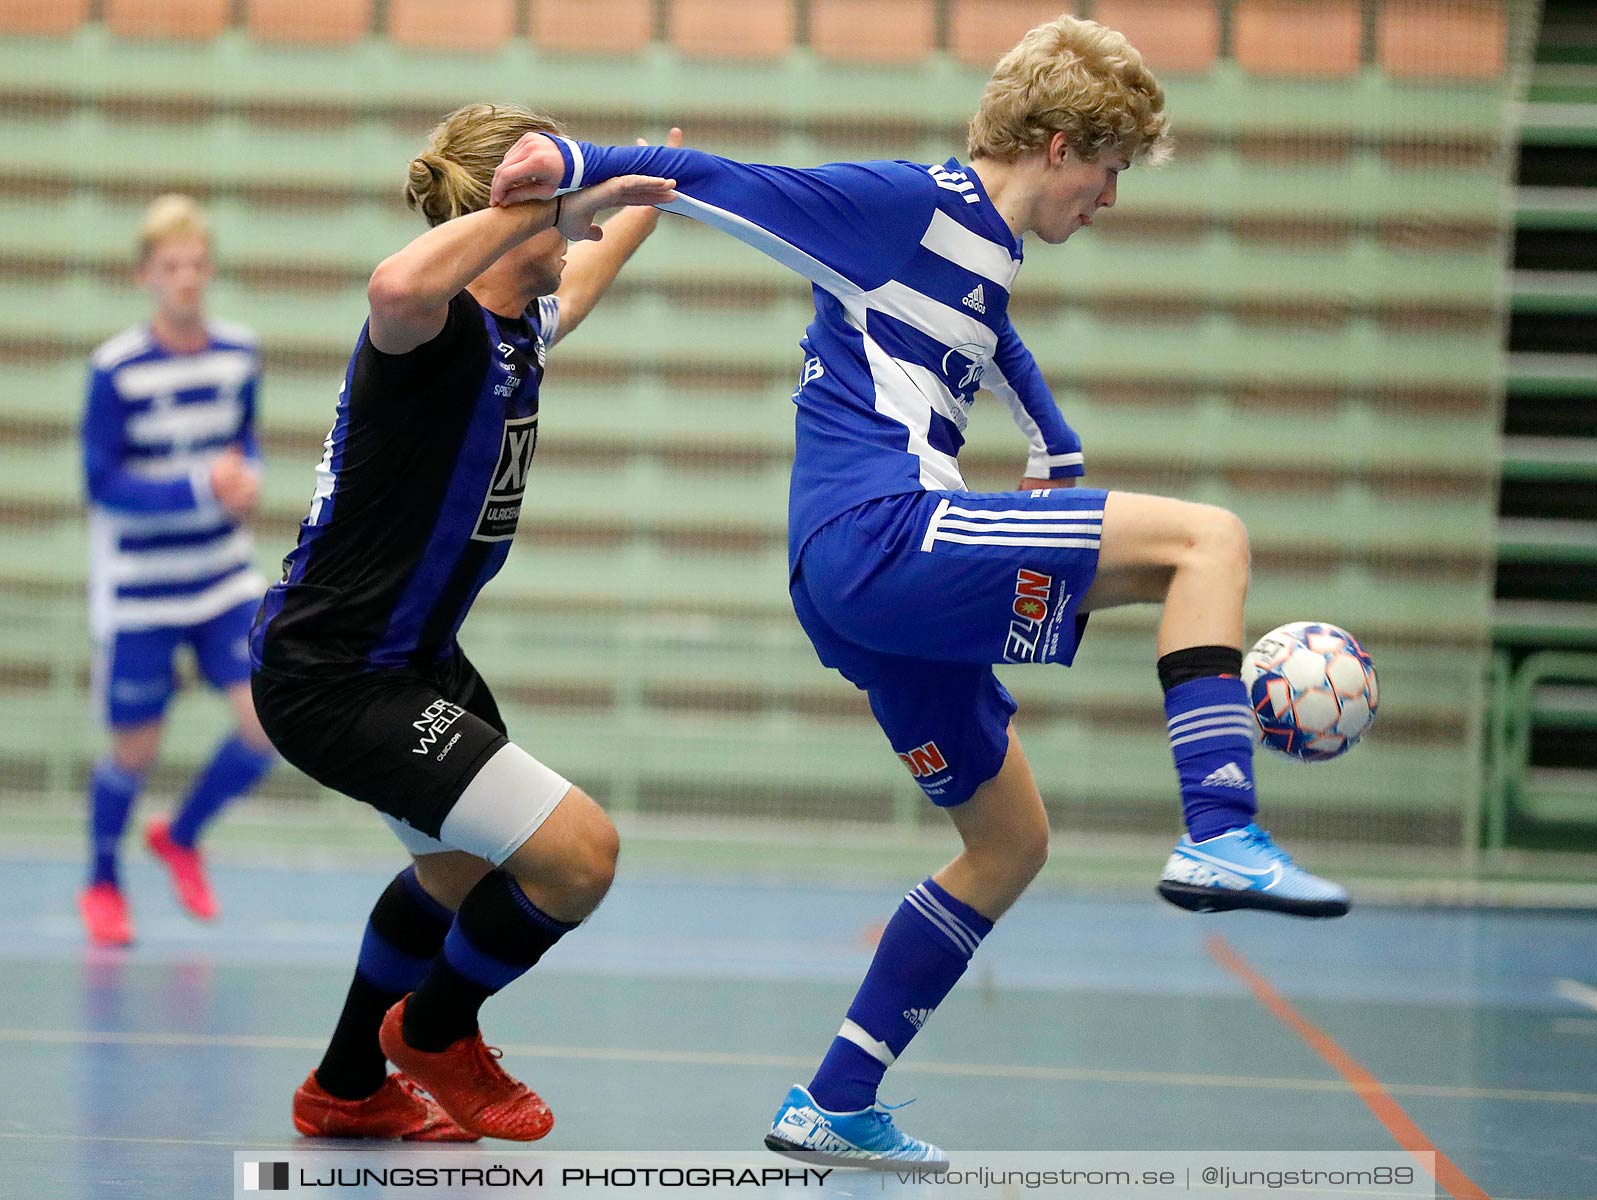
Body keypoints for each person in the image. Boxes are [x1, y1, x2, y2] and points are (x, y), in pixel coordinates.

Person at [489, 14, 1354, 1166]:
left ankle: (834, 1099)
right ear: (1054, 144)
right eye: (1105, 172)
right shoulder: (907, 203)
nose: (1107, 199)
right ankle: (1220, 826)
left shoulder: (983, 252)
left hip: (863, 581)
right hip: (882, 535)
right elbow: (728, 180)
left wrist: (1052, 446)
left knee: (1007, 843)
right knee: (1208, 544)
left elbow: (991, 339)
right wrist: (574, 165)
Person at [249, 104, 677, 1141]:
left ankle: (345, 1086)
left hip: (414, 662)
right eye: (557, 201)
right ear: (515, 206)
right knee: (578, 857)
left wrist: (650, 180)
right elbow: (396, 283)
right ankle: (435, 1031)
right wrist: (551, 197)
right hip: (335, 675)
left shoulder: (520, 327)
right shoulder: (426, 331)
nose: (575, 228)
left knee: (457, 875)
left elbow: (601, 247)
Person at [80, 194, 276, 946]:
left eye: (197, 264)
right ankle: (102, 878)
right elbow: (100, 484)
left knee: (267, 723)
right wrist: (201, 489)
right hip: (142, 589)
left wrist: (247, 478)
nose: (187, 279)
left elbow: (242, 441)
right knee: (136, 748)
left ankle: (183, 835)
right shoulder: (116, 371)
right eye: (171, 267)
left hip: (221, 578)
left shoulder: (238, 353)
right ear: (145, 276)